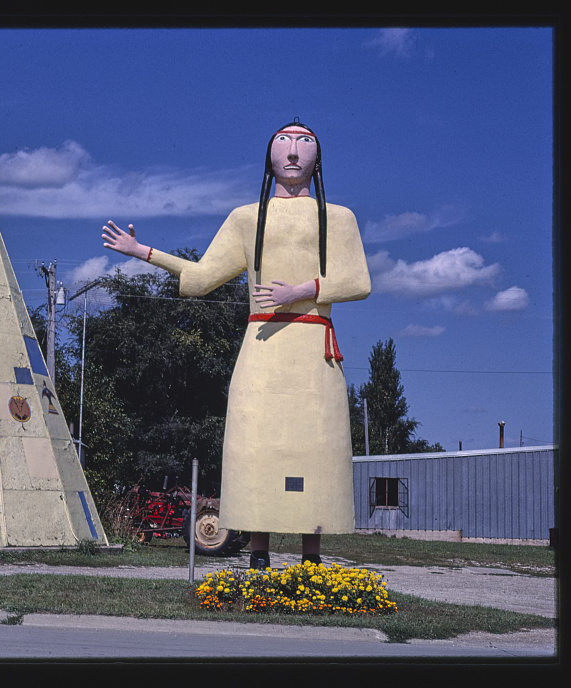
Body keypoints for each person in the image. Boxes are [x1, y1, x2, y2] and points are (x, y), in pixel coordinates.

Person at [102, 120, 371, 568]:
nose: (291, 152)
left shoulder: (338, 218)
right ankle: (258, 555)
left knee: (315, 453)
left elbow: (358, 280)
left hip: (314, 350)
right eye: (282, 142)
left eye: (304, 144)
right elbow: (204, 276)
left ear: (316, 159)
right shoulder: (246, 218)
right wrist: (143, 252)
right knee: (255, 450)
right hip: (261, 350)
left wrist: (298, 292)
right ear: (268, 157)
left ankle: (312, 558)